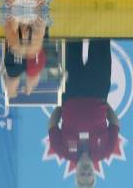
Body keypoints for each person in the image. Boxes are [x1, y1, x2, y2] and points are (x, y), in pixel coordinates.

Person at [48, 39, 120, 187]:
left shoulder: (62, 150)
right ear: (94, 172)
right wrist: (104, 104)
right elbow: (115, 123)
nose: (85, 171)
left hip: (70, 90)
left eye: (82, 174)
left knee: (71, 41)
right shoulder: (106, 150)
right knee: (101, 41)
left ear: (76, 173)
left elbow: (52, 124)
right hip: (97, 90)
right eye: (89, 174)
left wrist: (62, 104)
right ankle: (102, 16)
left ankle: (72, 17)